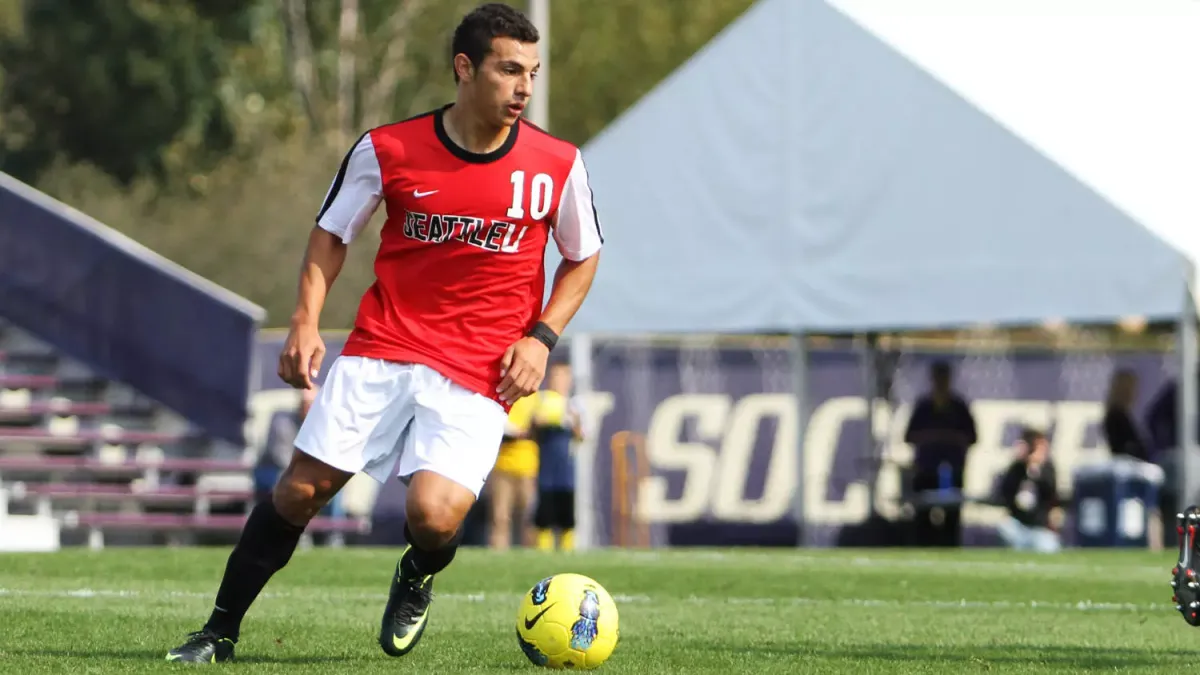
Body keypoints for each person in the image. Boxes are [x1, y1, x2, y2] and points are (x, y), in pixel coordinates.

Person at [166, 2, 604, 663]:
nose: (523, 88)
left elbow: (584, 254)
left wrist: (541, 336)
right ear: (465, 67)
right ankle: (217, 630)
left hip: (483, 366)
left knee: (434, 516)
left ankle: (418, 571)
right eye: (509, 69)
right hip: (386, 344)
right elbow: (330, 233)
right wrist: (306, 321)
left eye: (532, 73)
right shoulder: (389, 148)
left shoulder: (556, 163)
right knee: (298, 491)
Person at [904, 360, 977, 547]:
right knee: (923, 513)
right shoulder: (924, 406)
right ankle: (922, 546)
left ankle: (951, 546)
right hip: (926, 468)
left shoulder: (958, 406)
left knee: (952, 513)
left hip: (952, 468)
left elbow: (972, 436)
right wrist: (932, 437)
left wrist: (950, 438)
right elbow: (909, 436)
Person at [531, 361, 584, 551]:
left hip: (566, 468)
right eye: (556, 376)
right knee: (545, 511)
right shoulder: (542, 399)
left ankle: (567, 550)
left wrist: (572, 419)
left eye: (564, 376)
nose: (560, 381)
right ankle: (543, 550)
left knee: (566, 511)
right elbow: (535, 422)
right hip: (545, 467)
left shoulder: (575, 404)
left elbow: (582, 434)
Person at [996, 427, 1062, 553]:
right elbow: (1005, 492)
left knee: (1048, 547)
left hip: (1040, 528)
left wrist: (1035, 469)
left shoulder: (1047, 468)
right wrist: (1023, 465)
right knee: (1005, 528)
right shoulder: (1016, 468)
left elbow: (1051, 493)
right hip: (1019, 525)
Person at [487, 393, 540, 550]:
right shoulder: (501, 396)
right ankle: (498, 552)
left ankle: (532, 553)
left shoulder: (535, 398)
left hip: (527, 467)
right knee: (500, 516)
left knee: (529, 516)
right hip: (503, 466)